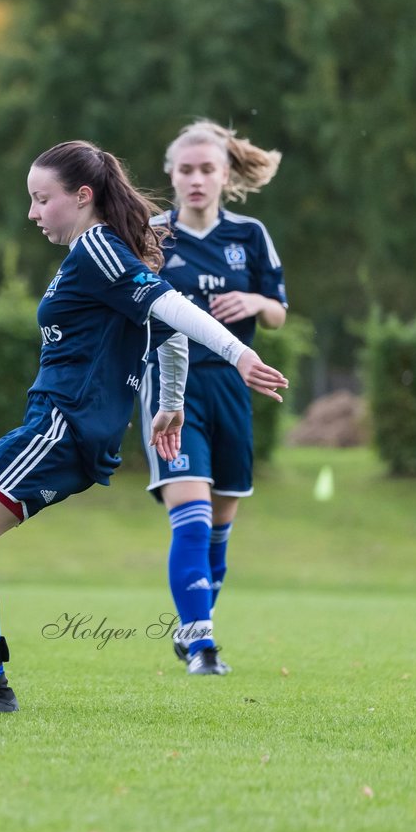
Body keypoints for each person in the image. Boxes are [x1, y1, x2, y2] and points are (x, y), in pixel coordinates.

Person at [0, 140, 288, 713]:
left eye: (40, 199)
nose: (32, 213)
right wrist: (170, 401)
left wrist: (238, 356)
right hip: (46, 422)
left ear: (81, 196)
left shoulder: (97, 246)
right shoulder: (100, 251)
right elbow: (163, 326)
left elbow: (170, 307)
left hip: (63, 428)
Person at [139, 121, 289, 675]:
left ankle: (192, 624)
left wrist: (252, 300)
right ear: (171, 176)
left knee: (221, 523)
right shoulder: (150, 233)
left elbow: (278, 312)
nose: (196, 179)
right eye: (186, 170)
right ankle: (202, 647)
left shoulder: (249, 235)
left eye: (207, 169)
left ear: (226, 175)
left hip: (232, 385)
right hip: (170, 387)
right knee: (193, 516)